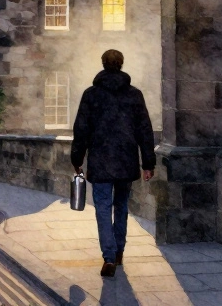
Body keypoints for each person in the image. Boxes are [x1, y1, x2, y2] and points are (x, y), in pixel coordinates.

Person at [70, 49, 156, 279]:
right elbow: (145, 131)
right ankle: (118, 252)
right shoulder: (134, 95)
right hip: (126, 160)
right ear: (121, 64)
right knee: (121, 207)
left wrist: (76, 160)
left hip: (100, 160)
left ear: (103, 64)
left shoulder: (91, 95)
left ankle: (108, 257)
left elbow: (81, 130)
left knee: (102, 208)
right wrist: (148, 163)